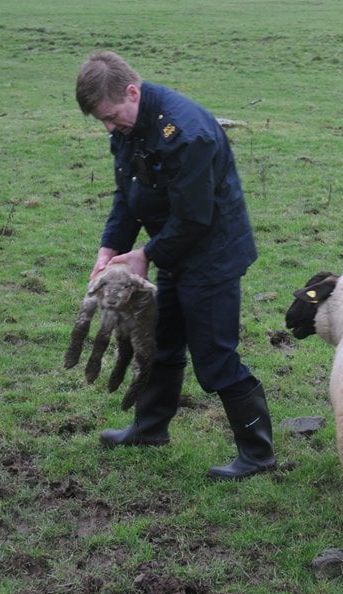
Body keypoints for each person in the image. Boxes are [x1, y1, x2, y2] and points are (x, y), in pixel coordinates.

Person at [74, 51, 275, 480]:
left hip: (212, 254)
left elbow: (194, 217)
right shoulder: (130, 127)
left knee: (215, 356)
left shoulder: (186, 133)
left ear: (132, 91)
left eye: (111, 117)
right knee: (162, 342)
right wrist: (110, 250)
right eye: (101, 122)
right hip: (175, 248)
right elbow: (127, 195)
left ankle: (258, 455)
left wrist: (145, 256)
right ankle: (150, 429)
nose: (109, 128)